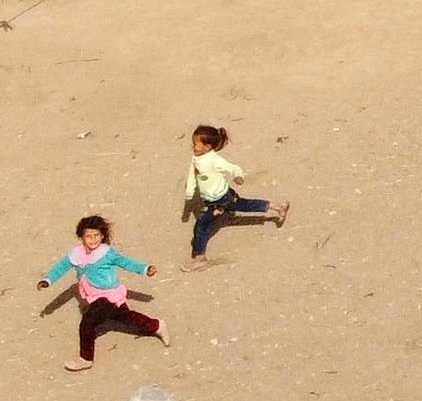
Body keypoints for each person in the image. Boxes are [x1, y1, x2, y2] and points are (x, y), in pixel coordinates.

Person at [40, 214, 161, 371]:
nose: (93, 239)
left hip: (108, 296)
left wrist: (145, 269)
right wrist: (47, 280)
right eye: (88, 236)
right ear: (81, 237)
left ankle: (85, 358)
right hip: (93, 296)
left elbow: (126, 262)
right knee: (126, 317)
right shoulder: (76, 254)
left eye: (96, 235)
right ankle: (156, 325)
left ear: (102, 236)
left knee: (87, 323)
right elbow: (60, 267)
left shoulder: (107, 253)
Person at [182, 124, 286, 267]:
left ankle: (199, 257)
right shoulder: (196, 158)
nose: (193, 146)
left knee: (201, 227)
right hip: (221, 196)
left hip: (218, 200)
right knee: (243, 205)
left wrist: (238, 176)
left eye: (196, 144)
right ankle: (277, 206)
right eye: (193, 143)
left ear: (208, 147)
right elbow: (193, 173)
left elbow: (233, 168)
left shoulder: (214, 160)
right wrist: (189, 191)